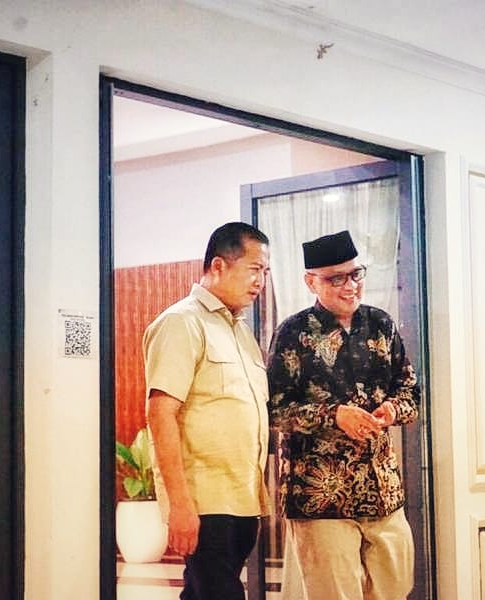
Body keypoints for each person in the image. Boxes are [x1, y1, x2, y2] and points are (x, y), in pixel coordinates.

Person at [267, 230, 420, 600]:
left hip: (383, 491)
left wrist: (392, 410)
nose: (350, 286)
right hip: (322, 500)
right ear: (311, 282)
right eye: (337, 278)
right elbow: (275, 408)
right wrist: (333, 415)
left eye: (356, 274)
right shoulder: (293, 333)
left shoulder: (381, 325)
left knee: (395, 591)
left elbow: (410, 391)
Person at [143, 222, 271, 600]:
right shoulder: (181, 323)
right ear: (218, 265)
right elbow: (160, 413)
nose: (261, 281)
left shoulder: (240, 331)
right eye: (254, 269)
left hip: (243, 499)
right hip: (205, 502)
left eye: (265, 272)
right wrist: (180, 504)